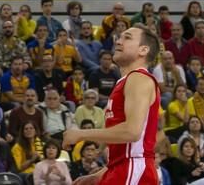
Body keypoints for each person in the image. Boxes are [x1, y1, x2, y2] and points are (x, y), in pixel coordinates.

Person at [62, 24, 161, 184]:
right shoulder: (126, 81)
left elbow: (132, 132)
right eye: (120, 37)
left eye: (127, 38)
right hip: (121, 167)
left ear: (143, 50)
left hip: (133, 169)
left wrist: (81, 134)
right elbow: (127, 148)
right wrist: (99, 175)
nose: (119, 41)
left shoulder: (138, 78)